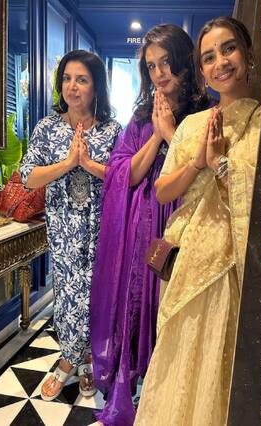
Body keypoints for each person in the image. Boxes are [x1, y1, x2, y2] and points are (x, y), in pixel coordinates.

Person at [133, 16, 261, 425]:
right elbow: (163, 190)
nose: (220, 62)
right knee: (178, 368)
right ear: (201, 70)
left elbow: (259, 198)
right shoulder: (191, 124)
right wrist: (199, 164)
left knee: (215, 371)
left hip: (228, 267)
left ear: (248, 55)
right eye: (209, 57)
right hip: (185, 260)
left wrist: (221, 161)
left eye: (228, 49)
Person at [89, 24, 209, 425]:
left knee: (174, 304)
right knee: (140, 301)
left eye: (167, 62)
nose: (160, 73)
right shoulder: (141, 118)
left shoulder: (206, 114)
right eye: (152, 66)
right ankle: (141, 386)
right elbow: (125, 174)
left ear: (185, 62)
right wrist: (156, 136)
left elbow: (206, 171)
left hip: (185, 221)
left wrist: (172, 132)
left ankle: (172, 393)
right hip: (143, 228)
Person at [20, 50, 121, 401]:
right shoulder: (47, 127)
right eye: (66, 78)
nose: (72, 87)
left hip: (101, 229)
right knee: (67, 295)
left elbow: (124, 178)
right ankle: (69, 359)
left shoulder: (112, 130)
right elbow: (28, 177)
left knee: (95, 296)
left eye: (81, 79)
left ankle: (87, 359)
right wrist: (67, 163)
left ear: (96, 87)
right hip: (63, 229)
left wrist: (89, 164)